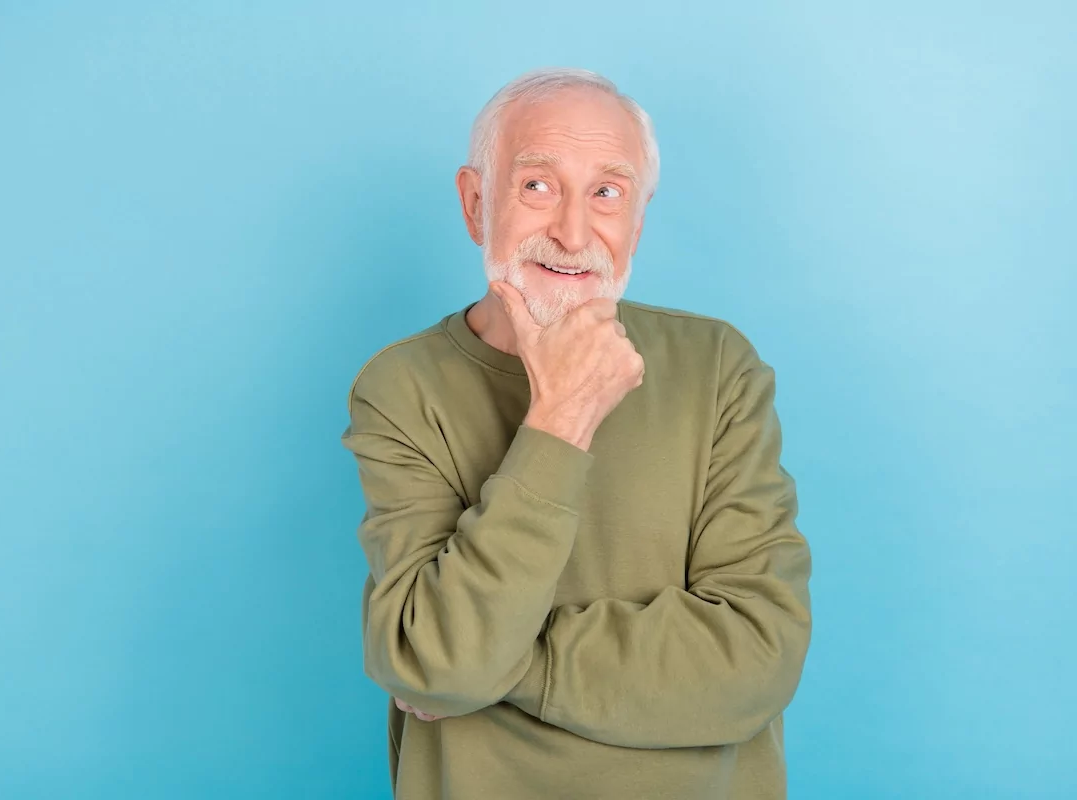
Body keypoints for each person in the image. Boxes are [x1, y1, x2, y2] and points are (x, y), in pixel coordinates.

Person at [339, 66, 812, 800]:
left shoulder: (719, 368)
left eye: (607, 194)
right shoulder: (402, 387)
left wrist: (502, 665)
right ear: (475, 204)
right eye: (537, 186)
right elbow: (439, 663)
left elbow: (759, 652)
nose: (572, 230)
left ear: (638, 221)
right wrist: (560, 417)